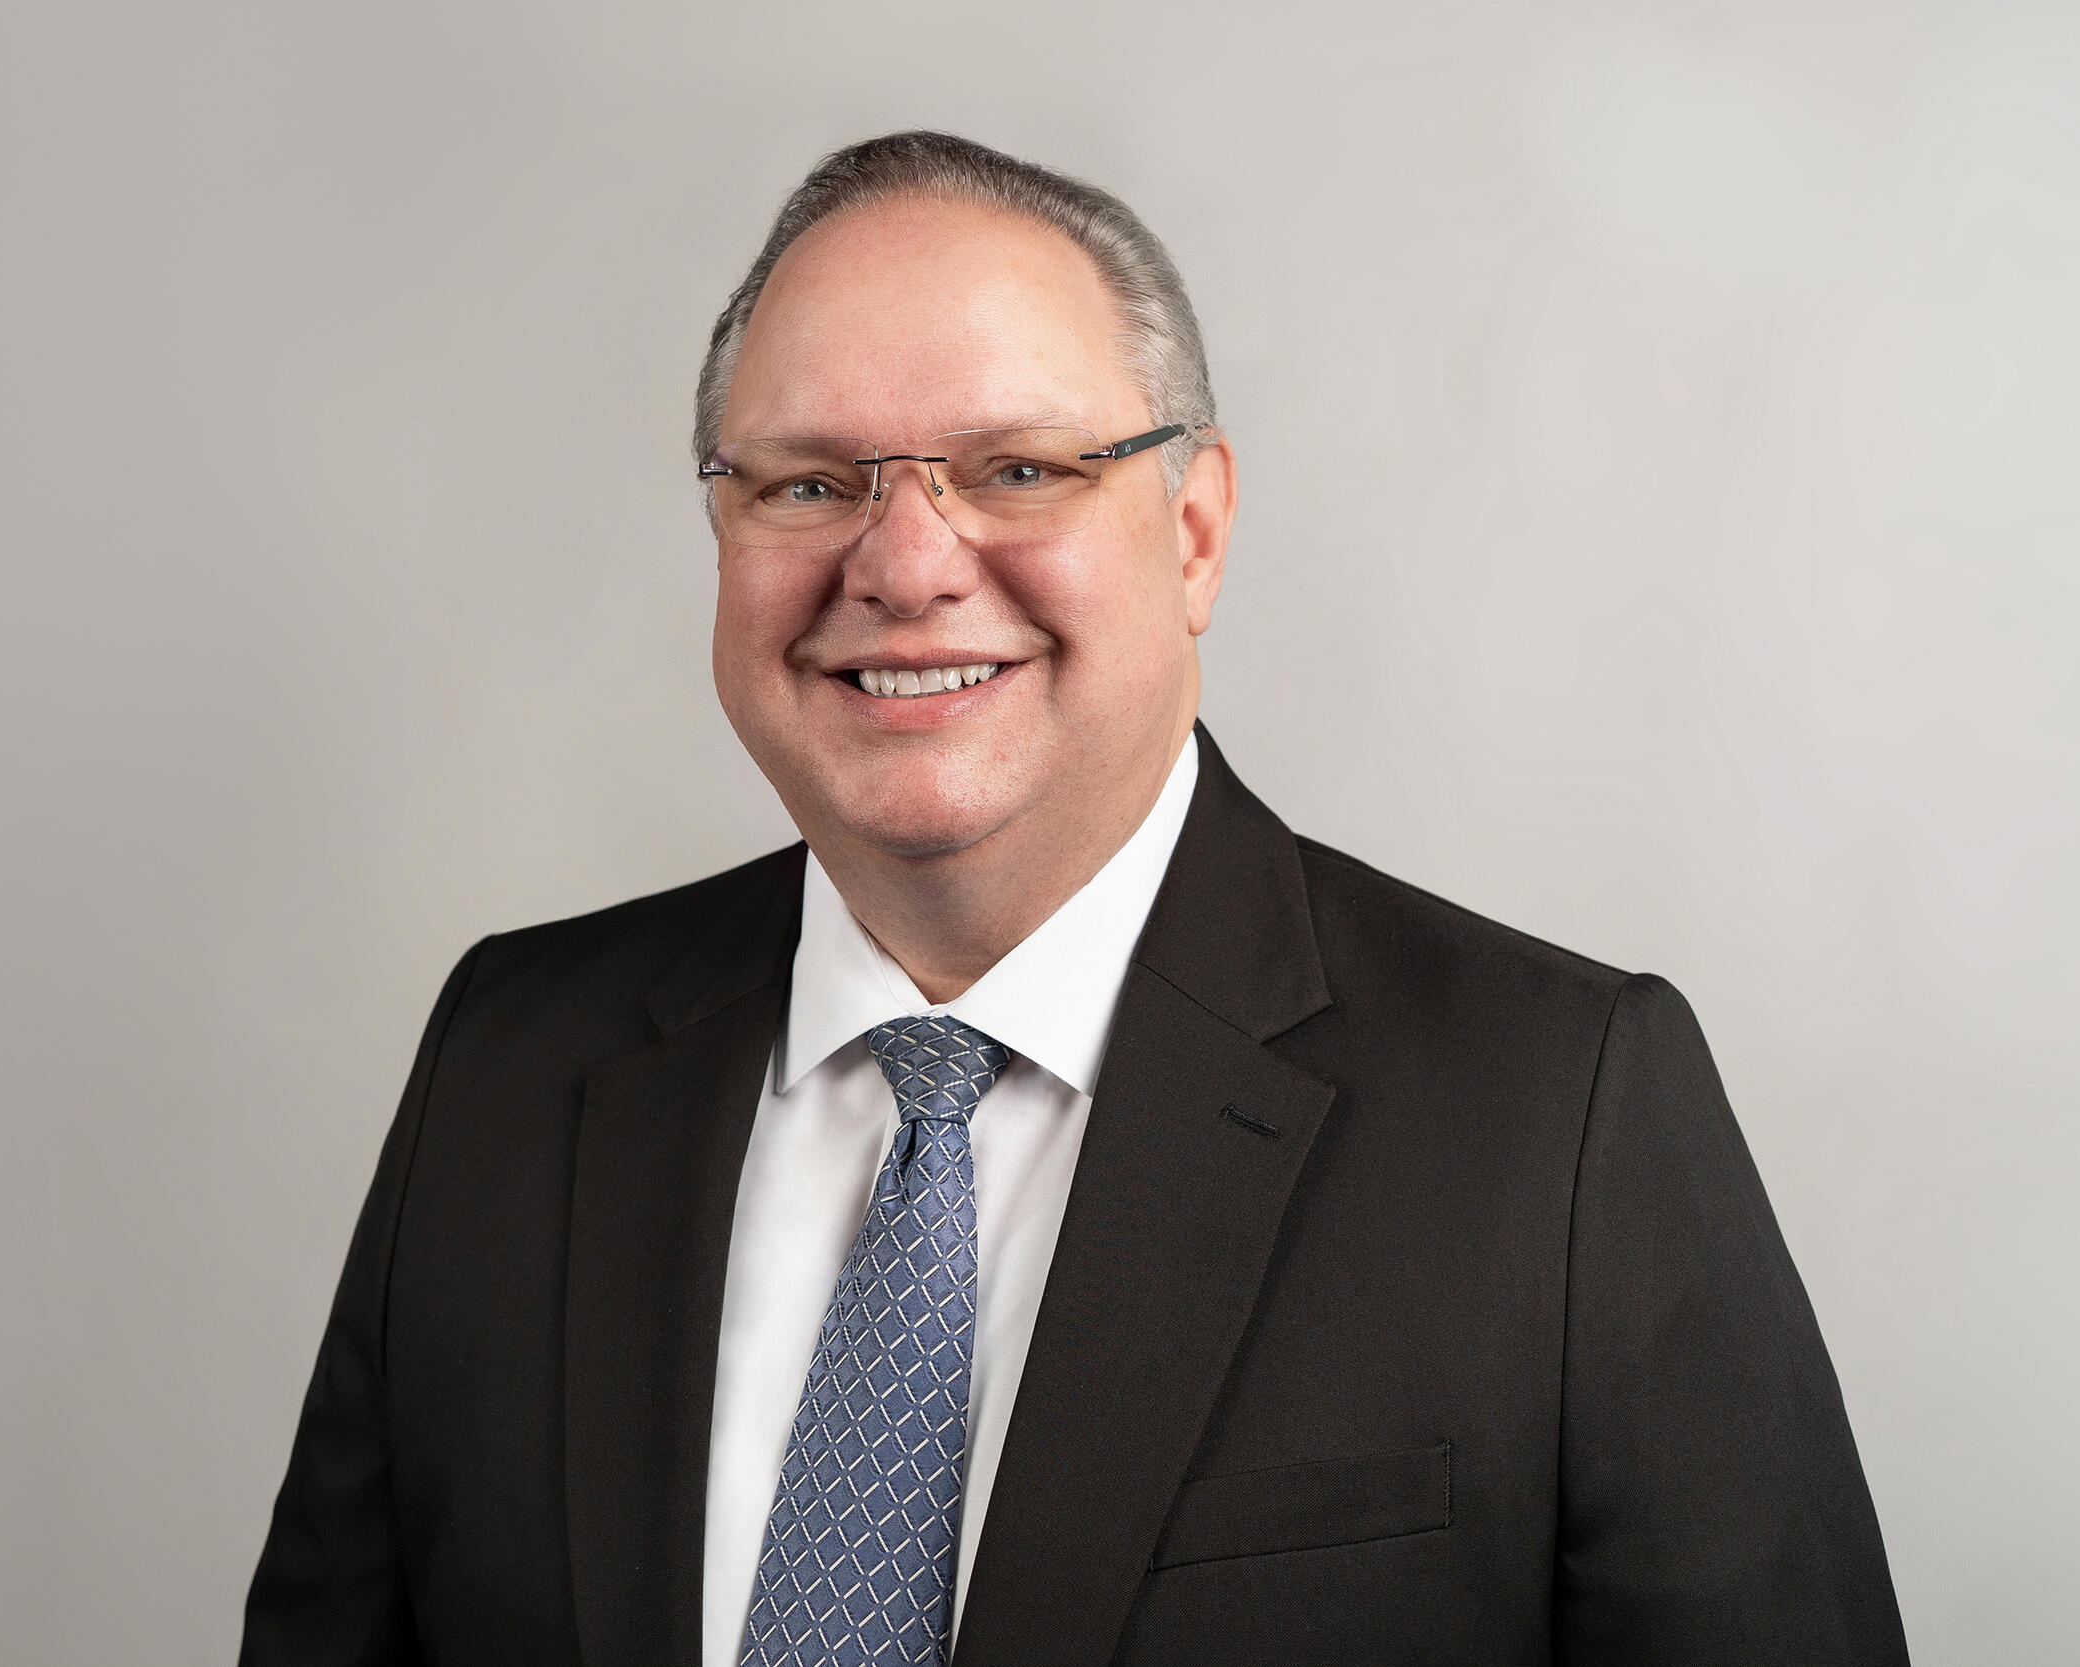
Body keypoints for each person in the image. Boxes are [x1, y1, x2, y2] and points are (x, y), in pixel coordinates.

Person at [240, 131, 1909, 1667]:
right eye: (810, 484)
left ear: (1192, 532)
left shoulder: (1563, 1114)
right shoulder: (512, 1062)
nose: (902, 564)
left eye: (1017, 470)